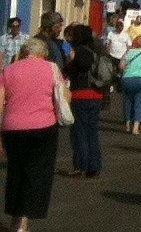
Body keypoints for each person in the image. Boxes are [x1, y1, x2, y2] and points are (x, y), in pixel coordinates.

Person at [0, 37, 69, 230]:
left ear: (23, 52)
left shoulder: (8, 70)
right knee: (36, 173)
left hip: (12, 128)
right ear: (43, 53)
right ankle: (23, 222)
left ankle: (15, 216)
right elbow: (65, 96)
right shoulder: (51, 68)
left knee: (16, 172)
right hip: (43, 126)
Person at [58, 25, 103, 179]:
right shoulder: (96, 50)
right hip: (96, 94)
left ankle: (80, 165)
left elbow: (71, 71)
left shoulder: (79, 52)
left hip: (81, 94)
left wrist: (69, 62)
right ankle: (94, 165)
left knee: (79, 132)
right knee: (92, 131)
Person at [117, 26, 141, 135]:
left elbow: (121, 66)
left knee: (128, 101)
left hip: (128, 79)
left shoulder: (128, 52)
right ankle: (135, 127)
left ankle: (128, 124)